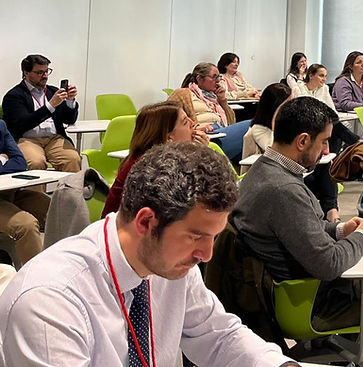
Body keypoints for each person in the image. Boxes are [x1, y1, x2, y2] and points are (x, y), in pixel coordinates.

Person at [0, 143, 298, 367]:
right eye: (196, 236)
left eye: (213, 237)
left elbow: (218, 334)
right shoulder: (49, 300)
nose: (206, 255)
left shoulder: (171, 264)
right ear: (145, 222)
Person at [232, 97, 363, 367]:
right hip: (312, 303)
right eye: (324, 142)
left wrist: (341, 229)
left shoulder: (263, 171)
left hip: (303, 292)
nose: (327, 150)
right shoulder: (284, 190)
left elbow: (296, 229)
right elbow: (328, 264)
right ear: (302, 141)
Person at [102, 101, 208, 216]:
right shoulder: (151, 167)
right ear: (169, 138)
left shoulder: (165, 157)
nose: (193, 124)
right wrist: (201, 155)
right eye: (185, 122)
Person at [291, 66, 358, 222]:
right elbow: (304, 113)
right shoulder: (299, 88)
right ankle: (355, 144)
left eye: (326, 76)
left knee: (333, 126)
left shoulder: (325, 89)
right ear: (311, 75)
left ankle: (332, 210)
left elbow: (331, 113)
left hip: (322, 129)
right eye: (321, 75)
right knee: (334, 131)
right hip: (307, 131)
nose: (324, 79)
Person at [2, 54, 81, 171]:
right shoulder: (14, 96)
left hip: (54, 138)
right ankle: (34, 190)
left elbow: (69, 120)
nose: (45, 76)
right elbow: (22, 124)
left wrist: (70, 100)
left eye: (47, 71)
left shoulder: (53, 91)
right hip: (27, 139)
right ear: (26, 72)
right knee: (35, 163)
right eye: (39, 73)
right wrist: (51, 105)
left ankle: (71, 190)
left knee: (73, 159)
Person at [169, 62, 249, 164]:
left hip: (220, 132)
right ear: (199, 79)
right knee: (252, 125)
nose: (218, 81)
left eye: (219, 77)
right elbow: (167, 117)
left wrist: (223, 101)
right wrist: (195, 128)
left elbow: (231, 122)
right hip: (204, 137)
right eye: (214, 77)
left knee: (246, 148)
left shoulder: (215, 97)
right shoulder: (183, 93)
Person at [0, 119, 50, 264]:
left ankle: (67, 269)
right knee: (26, 225)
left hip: (11, 193)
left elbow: (20, 162)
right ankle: (36, 283)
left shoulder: (1, 125)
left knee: (57, 209)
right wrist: (2, 159)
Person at [241, 83, 291, 159]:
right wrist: (275, 122)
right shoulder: (258, 129)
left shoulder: (289, 123)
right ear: (274, 108)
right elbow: (274, 152)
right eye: (287, 105)